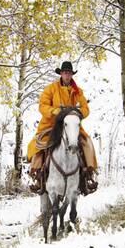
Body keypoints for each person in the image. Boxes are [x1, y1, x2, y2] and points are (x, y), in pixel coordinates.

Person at [25, 61, 98, 194]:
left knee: (87, 142)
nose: (67, 75)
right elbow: (43, 106)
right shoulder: (51, 89)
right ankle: (36, 175)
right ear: (61, 74)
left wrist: (78, 113)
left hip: (72, 125)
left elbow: (85, 108)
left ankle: (89, 174)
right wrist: (55, 112)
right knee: (38, 144)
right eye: (65, 72)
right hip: (51, 125)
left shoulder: (78, 91)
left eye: (69, 73)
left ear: (71, 74)